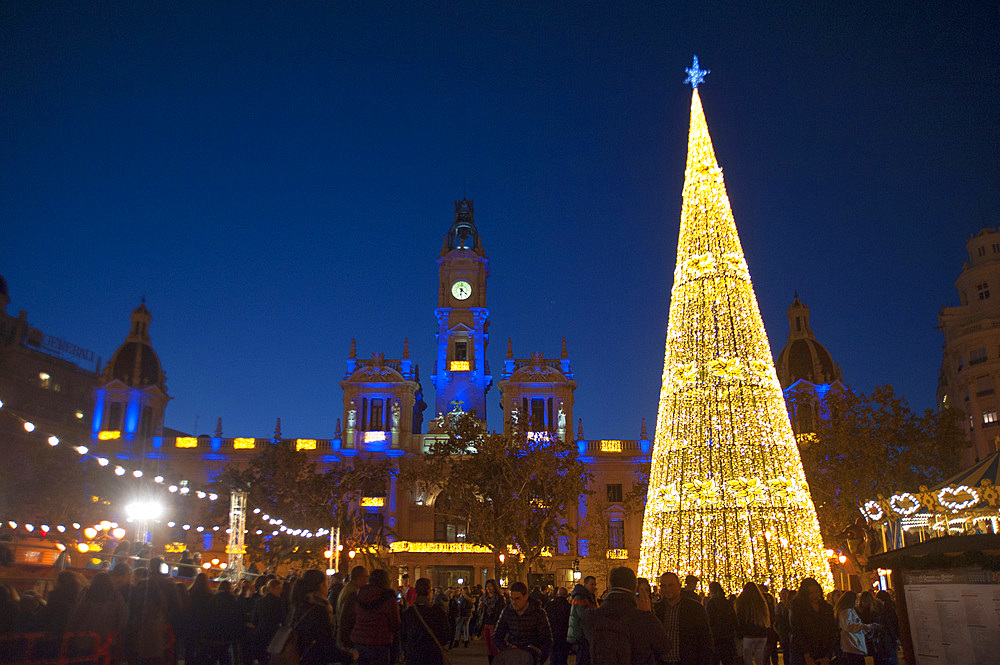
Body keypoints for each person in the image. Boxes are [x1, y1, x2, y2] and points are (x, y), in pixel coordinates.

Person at [582, 566, 671, 665]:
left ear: (610, 586)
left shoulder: (590, 616)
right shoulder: (642, 618)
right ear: (634, 589)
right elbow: (664, 646)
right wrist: (648, 614)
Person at [289, 569, 356, 665]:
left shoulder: (298, 606)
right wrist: (350, 656)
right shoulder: (319, 610)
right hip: (314, 660)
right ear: (321, 585)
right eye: (326, 583)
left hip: (298, 659)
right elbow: (326, 647)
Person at [653, 571, 713, 665]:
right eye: (664, 586)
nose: (667, 589)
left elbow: (705, 639)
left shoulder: (694, 608)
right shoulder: (657, 609)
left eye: (671, 585)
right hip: (663, 661)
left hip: (687, 661)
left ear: (679, 586)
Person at [494, 581, 552, 665]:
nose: (513, 602)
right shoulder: (507, 612)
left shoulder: (538, 613)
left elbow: (547, 639)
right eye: (511, 598)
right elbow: (497, 636)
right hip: (512, 658)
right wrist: (507, 649)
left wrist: (538, 659)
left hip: (531, 658)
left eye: (517, 598)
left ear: (526, 597)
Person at [351, 568, 401, 665]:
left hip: (359, 640)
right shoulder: (389, 598)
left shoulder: (360, 593)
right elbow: (395, 623)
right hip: (379, 641)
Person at [401, 577, 451, 665]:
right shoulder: (438, 611)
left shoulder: (409, 613)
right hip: (433, 655)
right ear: (429, 591)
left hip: (414, 656)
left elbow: (403, 635)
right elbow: (446, 634)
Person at [67, 571, 129, 641]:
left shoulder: (87, 594)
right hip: (107, 640)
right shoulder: (116, 596)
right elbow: (123, 618)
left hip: (82, 638)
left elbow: (76, 615)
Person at [788, 578, 836, 665]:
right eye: (811, 593)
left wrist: (828, 655)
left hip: (822, 650)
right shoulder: (797, 608)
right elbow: (797, 632)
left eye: (817, 592)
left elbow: (832, 631)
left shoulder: (826, 608)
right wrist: (807, 656)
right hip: (802, 652)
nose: (815, 596)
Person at [735, 583, 771, 665]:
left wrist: (739, 634)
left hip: (748, 634)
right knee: (759, 658)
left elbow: (740, 618)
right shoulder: (761, 601)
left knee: (747, 658)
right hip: (762, 633)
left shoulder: (742, 601)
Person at [832, 591, 872, 665]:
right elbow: (849, 626)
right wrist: (863, 627)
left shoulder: (851, 611)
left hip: (854, 646)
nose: (857, 601)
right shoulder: (846, 612)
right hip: (852, 646)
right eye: (856, 599)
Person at [567, 575, 598, 665]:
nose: (594, 587)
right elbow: (585, 616)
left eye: (595, 585)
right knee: (582, 659)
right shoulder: (580, 597)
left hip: (585, 634)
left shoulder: (588, 596)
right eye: (592, 584)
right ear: (585, 584)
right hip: (582, 635)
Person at [336, 565, 369, 649]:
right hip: (350, 639)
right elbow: (347, 619)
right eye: (366, 577)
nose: (367, 580)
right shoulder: (353, 594)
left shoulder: (347, 590)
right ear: (360, 578)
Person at [706, 582, 738, 665]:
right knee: (727, 660)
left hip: (716, 637)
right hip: (728, 637)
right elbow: (734, 619)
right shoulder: (727, 602)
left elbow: (709, 620)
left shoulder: (711, 603)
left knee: (715, 660)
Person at [480, 579, 508, 663]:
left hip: (494, 623)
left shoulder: (499, 598)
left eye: (490, 586)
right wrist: (480, 607)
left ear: (494, 587)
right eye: (487, 586)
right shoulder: (485, 598)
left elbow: (501, 611)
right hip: (486, 623)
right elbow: (480, 612)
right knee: (488, 646)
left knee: (494, 645)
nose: (488, 588)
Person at [544, 587, 572, 665]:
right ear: (566, 595)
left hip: (553, 635)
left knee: (553, 657)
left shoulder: (550, 605)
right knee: (563, 658)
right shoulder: (569, 607)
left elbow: (545, 620)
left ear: (557, 594)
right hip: (564, 636)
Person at [872, 591, 900, 665]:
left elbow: (888, 623)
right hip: (891, 635)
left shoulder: (885, 609)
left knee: (889, 655)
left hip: (888, 635)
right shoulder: (891, 607)